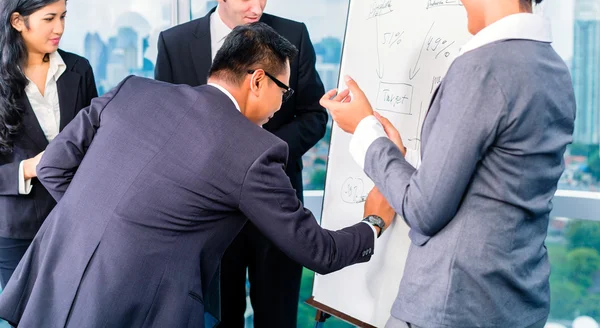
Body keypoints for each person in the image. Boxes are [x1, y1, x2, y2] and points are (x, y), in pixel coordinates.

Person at [0, 22, 394, 328]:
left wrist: (103, 221)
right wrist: (374, 220)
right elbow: (317, 250)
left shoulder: (133, 90)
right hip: (137, 308)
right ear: (257, 80)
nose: (281, 104)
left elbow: (52, 166)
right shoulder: (253, 151)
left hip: (55, 280)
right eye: (284, 91)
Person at [320, 0, 575, 327]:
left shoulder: (482, 69)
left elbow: (425, 209)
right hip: (516, 304)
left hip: (450, 306)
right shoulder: (555, 69)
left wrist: (365, 129)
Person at [155, 0, 327, 327]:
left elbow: (315, 115)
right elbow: (167, 127)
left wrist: (261, 152)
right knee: (219, 318)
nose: (258, 8)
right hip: (209, 214)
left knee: (278, 318)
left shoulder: (294, 36)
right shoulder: (176, 44)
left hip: (278, 207)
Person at [0, 0, 97, 289]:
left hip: (72, 222)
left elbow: (96, 141)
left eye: (64, 16)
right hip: (16, 230)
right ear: (17, 21)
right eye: (49, 18)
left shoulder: (79, 69)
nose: (59, 28)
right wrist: (27, 169)